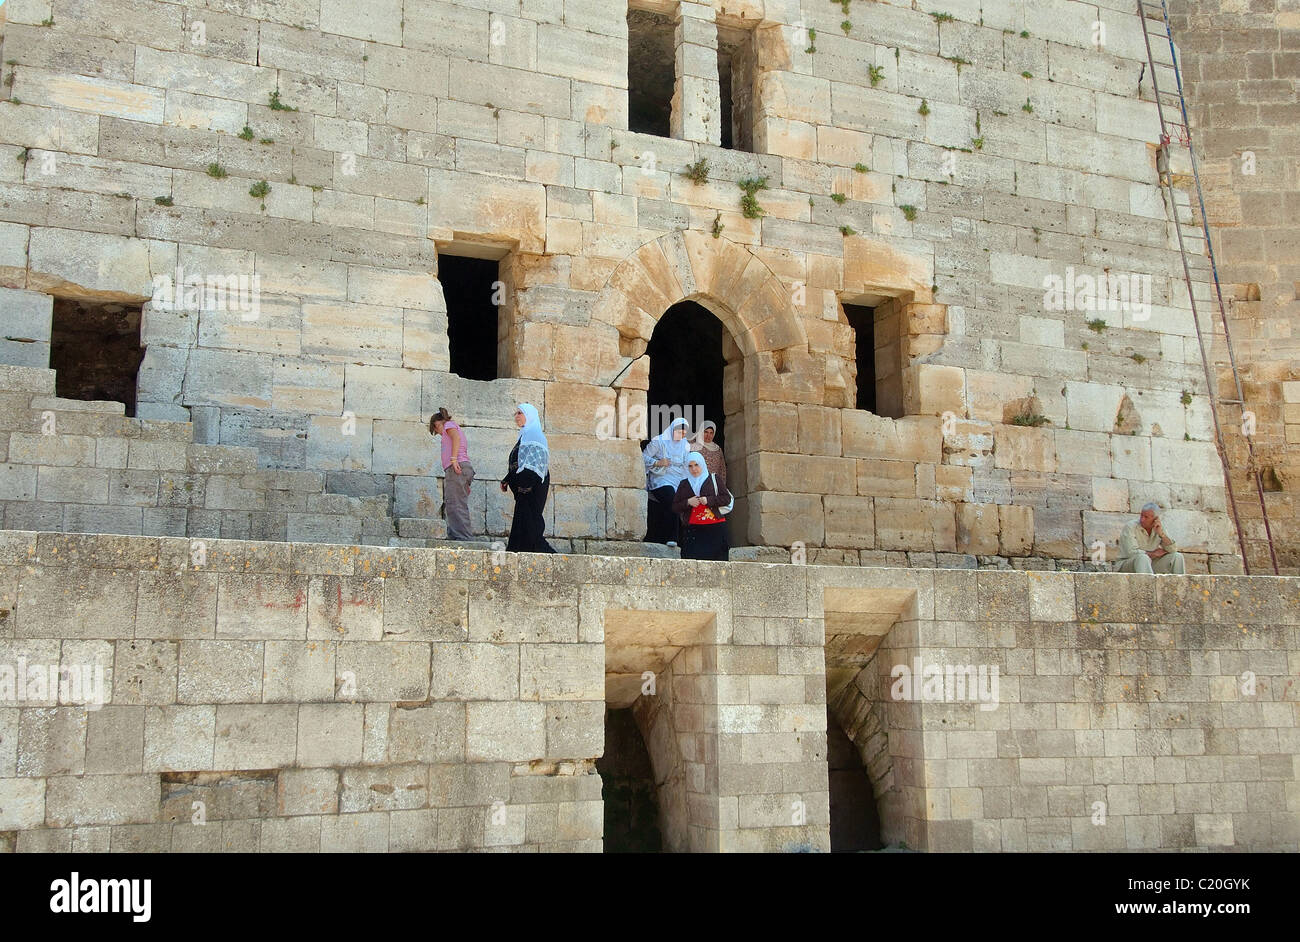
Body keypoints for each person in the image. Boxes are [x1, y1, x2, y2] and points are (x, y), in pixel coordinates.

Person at [500, 403, 555, 554]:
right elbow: (520, 463)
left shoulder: (535, 436)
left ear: (529, 416)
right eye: (516, 413)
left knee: (531, 525)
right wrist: (508, 479)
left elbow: (534, 466)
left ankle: (551, 558)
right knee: (522, 524)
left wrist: (525, 486)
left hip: (531, 487)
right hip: (524, 487)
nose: (516, 416)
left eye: (519, 413)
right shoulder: (524, 436)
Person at [672, 451, 732, 561]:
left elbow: (726, 498)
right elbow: (675, 506)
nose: (694, 469)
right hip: (693, 530)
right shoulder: (684, 484)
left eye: (696, 465)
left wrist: (709, 500)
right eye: (690, 466)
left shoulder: (714, 479)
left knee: (717, 563)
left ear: (702, 464)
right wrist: (688, 502)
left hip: (715, 528)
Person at [642, 417, 690, 544]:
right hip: (661, 479)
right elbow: (642, 456)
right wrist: (657, 462)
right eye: (679, 431)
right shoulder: (660, 441)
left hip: (678, 480)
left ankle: (679, 541)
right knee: (672, 500)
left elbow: (685, 466)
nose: (682, 435)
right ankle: (672, 537)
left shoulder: (685, 445)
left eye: (684, 433)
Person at [429, 408, 475, 541]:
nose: (438, 432)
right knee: (454, 502)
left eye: (436, 429)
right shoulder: (450, 427)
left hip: (456, 468)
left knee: (455, 503)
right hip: (459, 469)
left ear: (437, 423)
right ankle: (457, 535)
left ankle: (462, 538)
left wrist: (453, 459)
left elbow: (455, 438)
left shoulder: (449, 425)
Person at [1116, 502, 1186, 574]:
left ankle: (1181, 585)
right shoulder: (1130, 527)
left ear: (1155, 519)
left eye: (1146, 517)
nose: (1142, 519)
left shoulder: (1159, 528)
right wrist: (1153, 554)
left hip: (1149, 564)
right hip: (1128, 564)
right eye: (1141, 516)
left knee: (1177, 557)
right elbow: (1130, 552)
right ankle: (1148, 585)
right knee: (1143, 558)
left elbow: (1172, 549)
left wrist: (1161, 534)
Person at [689, 419, 727, 488]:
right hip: (696, 483)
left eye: (711, 433)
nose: (708, 435)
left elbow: (722, 469)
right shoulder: (693, 445)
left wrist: (721, 486)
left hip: (713, 484)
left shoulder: (717, 449)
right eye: (706, 432)